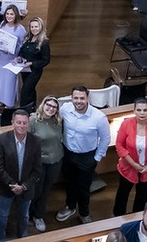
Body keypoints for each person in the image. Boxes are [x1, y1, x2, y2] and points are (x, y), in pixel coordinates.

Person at [57, 85, 111, 224]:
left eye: (82, 98)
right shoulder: (65, 109)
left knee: (84, 187)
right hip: (68, 153)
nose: (78, 101)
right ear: (71, 98)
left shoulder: (99, 117)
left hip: (87, 157)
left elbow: (105, 139)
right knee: (69, 183)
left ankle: (84, 212)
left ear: (88, 98)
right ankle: (70, 206)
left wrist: (96, 158)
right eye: (75, 98)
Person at [0, 109, 42, 240]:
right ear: (12, 123)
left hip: (26, 188)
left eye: (24, 123)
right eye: (18, 122)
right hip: (6, 186)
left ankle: (23, 236)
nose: (21, 126)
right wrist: (13, 185)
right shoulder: (2, 139)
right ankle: (0, 237)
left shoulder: (36, 141)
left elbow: (37, 169)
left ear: (28, 124)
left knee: (24, 215)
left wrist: (24, 187)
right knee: (3, 215)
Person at [113, 98, 147, 216]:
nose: (142, 113)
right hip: (128, 167)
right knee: (123, 192)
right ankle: (118, 216)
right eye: (139, 110)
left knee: (142, 193)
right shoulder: (126, 124)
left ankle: (137, 216)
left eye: (145, 110)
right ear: (134, 111)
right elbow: (120, 146)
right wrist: (134, 164)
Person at [28, 96, 63, 233]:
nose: (51, 108)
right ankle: (30, 213)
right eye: (48, 105)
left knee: (46, 190)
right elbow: (28, 143)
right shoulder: (33, 120)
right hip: (39, 163)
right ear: (43, 105)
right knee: (36, 190)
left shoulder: (58, 121)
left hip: (56, 160)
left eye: (54, 107)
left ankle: (39, 215)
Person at [0, 5, 26, 108]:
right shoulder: (2, 24)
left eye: (12, 14)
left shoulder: (20, 29)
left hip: (11, 59)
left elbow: (22, 45)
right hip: (1, 57)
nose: (9, 16)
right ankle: (0, 99)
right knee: (0, 78)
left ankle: (9, 102)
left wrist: (12, 49)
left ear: (16, 15)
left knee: (9, 80)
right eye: (7, 14)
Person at [18, 17, 51, 108]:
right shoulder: (28, 38)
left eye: (36, 26)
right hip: (25, 70)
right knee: (30, 89)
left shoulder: (43, 43)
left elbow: (46, 60)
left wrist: (32, 63)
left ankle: (23, 110)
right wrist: (19, 57)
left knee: (25, 90)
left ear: (41, 27)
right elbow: (22, 51)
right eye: (32, 27)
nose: (34, 29)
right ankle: (32, 108)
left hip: (35, 71)